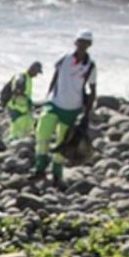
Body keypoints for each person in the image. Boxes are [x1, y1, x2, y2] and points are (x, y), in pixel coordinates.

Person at [32, 30, 97, 188]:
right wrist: (49, 95)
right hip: (54, 103)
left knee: (63, 143)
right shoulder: (64, 58)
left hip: (72, 108)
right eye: (80, 41)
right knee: (42, 134)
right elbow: (56, 75)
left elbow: (92, 89)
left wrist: (87, 113)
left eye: (85, 42)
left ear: (89, 45)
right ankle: (40, 169)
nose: (82, 45)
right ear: (75, 43)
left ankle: (56, 174)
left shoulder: (90, 66)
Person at [6, 61, 43, 141]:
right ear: (32, 69)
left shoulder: (28, 78)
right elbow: (16, 91)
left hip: (24, 109)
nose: (36, 75)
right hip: (16, 107)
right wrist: (24, 97)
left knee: (27, 126)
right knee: (16, 128)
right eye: (37, 72)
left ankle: (20, 143)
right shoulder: (22, 76)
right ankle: (12, 143)